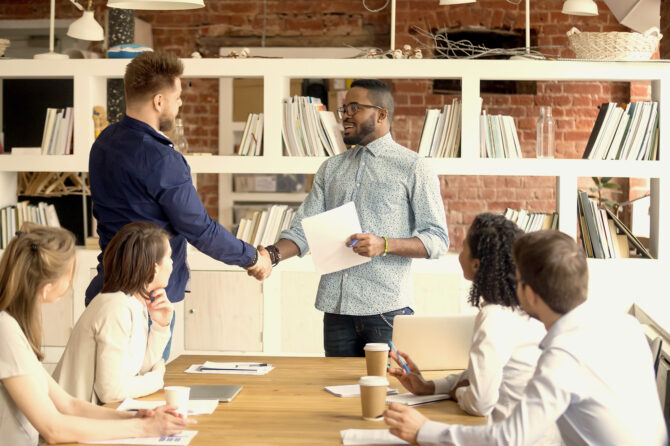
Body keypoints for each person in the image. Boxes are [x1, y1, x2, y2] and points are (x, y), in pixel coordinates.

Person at [384, 230, 668, 446]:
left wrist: (424, 430)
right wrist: (436, 387)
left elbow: (510, 438)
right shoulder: (625, 326)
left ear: (529, 293)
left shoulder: (563, 356)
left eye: (516, 279)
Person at [86, 51, 271, 360]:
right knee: (138, 396)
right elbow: (198, 228)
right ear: (159, 101)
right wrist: (252, 258)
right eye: (177, 96)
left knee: (109, 392)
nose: (180, 103)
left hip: (105, 288)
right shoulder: (162, 158)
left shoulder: (104, 141)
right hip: (147, 300)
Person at [263, 79, 449, 357]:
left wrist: (384, 244)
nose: (345, 115)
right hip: (336, 310)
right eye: (344, 109)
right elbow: (303, 230)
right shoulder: (331, 168)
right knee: (336, 395)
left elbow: (437, 240)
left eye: (355, 107)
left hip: (386, 311)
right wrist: (269, 256)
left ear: (382, 114)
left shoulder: (413, 167)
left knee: (385, 394)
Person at [0, 224, 194, 446]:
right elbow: (53, 428)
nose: (71, 283)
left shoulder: (13, 328)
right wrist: (144, 425)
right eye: (69, 275)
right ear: (47, 287)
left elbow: (69, 404)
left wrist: (137, 417)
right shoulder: (6, 331)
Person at [389, 214, 553, 427]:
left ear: (476, 265)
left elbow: (480, 403)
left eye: (465, 245)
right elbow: (480, 375)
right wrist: (429, 387)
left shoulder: (494, 317)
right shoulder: (519, 308)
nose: (460, 250)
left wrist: (458, 392)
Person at [54, 222, 173, 404]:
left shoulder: (134, 303)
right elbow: (110, 391)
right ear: (155, 268)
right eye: (169, 257)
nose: (172, 264)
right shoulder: (116, 308)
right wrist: (156, 380)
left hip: (94, 416)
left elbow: (138, 370)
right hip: (75, 422)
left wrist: (161, 326)